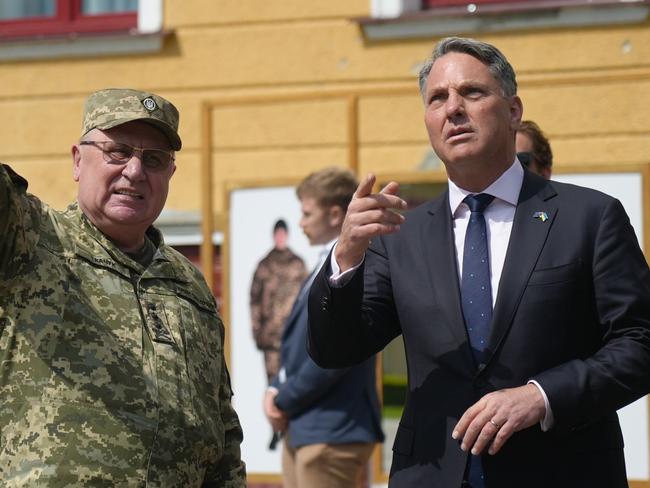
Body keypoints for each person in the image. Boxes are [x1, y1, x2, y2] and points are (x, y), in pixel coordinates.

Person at [307, 37, 650, 488]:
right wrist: (345, 257)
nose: (453, 109)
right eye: (437, 98)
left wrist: (542, 397)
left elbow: (640, 343)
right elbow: (335, 350)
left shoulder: (589, 216)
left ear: (513, 111)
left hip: (561, 468)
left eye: (471, 92)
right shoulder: (401, 236)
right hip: (433, 473)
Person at [0, 88, 246, 486]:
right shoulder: (31, 238)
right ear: (78, 160)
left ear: (169, 173)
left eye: (154, 159)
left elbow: (221, 425)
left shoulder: (188, 282)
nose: (135, 171)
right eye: (117, 151)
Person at [264, 167, 384, 488]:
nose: (300, 223)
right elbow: (298, 347)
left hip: (333, 430)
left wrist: (282, 399)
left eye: (306, 213)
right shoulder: (322, 264)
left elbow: (336, 354)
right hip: (307, 427)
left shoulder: (359, 266)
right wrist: (275, 388)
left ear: (334, 215)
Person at [250, 219, 307, 384]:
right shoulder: (264, 265)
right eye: (278, 234)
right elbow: (254, 301)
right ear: (274, 236)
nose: (280, 237)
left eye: (283, 234)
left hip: (295, 336)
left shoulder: (298, 264)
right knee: (273, 386)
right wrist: (257, 333)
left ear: (287, 235)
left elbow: (307, 298)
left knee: (295, 384)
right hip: (271, 337)